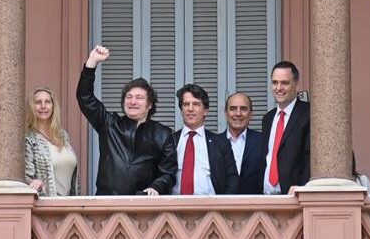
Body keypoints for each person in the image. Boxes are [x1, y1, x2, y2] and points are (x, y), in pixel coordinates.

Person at [77, 45, 176, 195]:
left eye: (139, 98)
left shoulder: (163, 134)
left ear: (149, 104)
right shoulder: (109, 124)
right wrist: (91, 63)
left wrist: (156, 187)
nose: (132, 101)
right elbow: (85, 98)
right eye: (128, 97)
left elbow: (168, 173)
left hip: (142, 208)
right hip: (106, 205)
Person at [172, 84, 238, 195]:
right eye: (186, 104)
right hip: (173, 208)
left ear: (205, 111)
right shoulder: (170, 141)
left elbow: (232, 179)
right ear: (181, 110)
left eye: (196, 104)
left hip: (211, 208)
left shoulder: (220, 143)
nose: (190, 109)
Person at [262, 61, 310, 194]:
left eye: (284, 83)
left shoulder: (309, 114)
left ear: (295, 84)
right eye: (275, 82)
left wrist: (302, 188)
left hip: (293, 196)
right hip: (266, 196)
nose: (279, 88)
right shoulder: (268, 118)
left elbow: (310, 157)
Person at [24, 87, 79, 196]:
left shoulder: (63, 135)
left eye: (47, 102)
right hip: (46, 206)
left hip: (69, 205)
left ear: (53, 106)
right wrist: (34, 183)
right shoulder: (29, 139)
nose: (43, 106)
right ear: (32, 107)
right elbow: (24, 177)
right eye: (38, 102)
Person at [224, 92, 264, 194]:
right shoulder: (214, 143)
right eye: (233, 108)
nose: (238, 113)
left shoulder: (264, 141)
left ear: (251, 114)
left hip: (256, 205)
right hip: (221, 206)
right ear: (225, 113)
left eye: (243, 109)